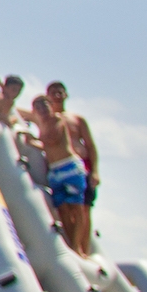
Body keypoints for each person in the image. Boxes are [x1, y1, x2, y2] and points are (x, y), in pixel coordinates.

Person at [24, 94, 91, 257]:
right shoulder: (41, 124)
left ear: (51, 106)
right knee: (63, 209)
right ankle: (70, 243)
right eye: (38, 107)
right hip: (55, 170)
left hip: (69, 167)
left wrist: (33, 141)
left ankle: (77, 246)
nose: (43, 110)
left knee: (77, 207)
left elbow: (52, 141)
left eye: (45, 106)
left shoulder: (57, 120)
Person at [46, 82, 100, 246]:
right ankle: (72, 243)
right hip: (60, 167)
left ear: (66, 95)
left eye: (59, 92)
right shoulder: (46, 118)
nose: (56, 95)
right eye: (52, 92)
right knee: (64, 207)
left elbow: (90, 145)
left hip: (81, 166)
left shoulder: (76, 119)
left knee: (84, 208)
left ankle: (83, 247)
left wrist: (95, 171)